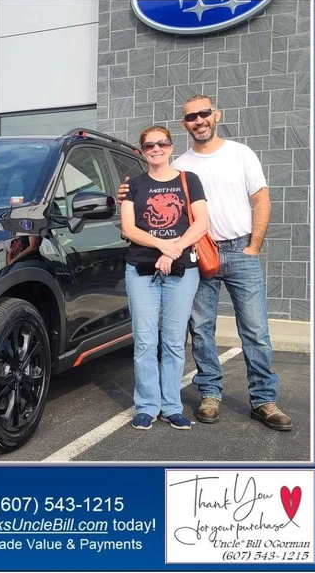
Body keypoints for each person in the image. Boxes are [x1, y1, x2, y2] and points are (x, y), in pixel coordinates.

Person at [118, 95, 292, 431]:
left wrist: (254, 247)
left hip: (239, 250)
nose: (199, 120)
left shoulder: (240, 153)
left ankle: (264, 400)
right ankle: (210, 394)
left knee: (255, 330)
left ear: (216, 115)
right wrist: (124, 194)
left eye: (204, 113)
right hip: (198, 254)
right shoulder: (181, 165)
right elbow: (139, 203)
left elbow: (262, 200)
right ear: (185, 125)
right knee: (200, 331)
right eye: (191, 117)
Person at [121, 126, 209, 431]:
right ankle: (147, 406)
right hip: (141, 269)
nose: (156, 149)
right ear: (143, 151)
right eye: (149, 145)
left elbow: (202, 223)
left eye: (161, 144)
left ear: (171, 147)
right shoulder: (133, 185)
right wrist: (162, 245)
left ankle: (172, 406)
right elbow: (130, 230)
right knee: (145, 342)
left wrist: (172, 253)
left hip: (182, 270)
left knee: (173, 341)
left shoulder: (189, 180)